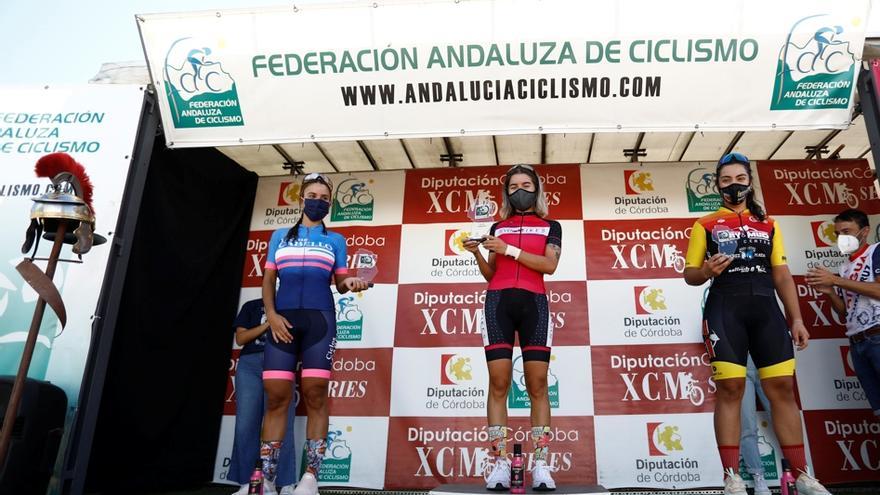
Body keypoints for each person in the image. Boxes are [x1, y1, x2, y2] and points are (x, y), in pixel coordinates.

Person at [683, 152, 831, 495]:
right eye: (725, 181)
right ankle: (732, 477)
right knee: (731, 390)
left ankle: (803, 475)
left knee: (781, 388)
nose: (733, 185)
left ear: (750, 182)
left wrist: (796, 317)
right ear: (717, 187)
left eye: (739, 179)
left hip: (766, 309)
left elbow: (781, 273)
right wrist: (707, 270)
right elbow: (690, 274)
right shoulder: (704, 224)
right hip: (725, 309)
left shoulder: (770, 224)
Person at [259, 173, 370, 495]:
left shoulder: (336, 240)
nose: (317, 201)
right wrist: (271, 315)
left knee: (316, 394)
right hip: (283, 322)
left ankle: (310, 479)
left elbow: (340, 281)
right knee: (277, 397)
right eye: (312, 195)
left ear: (329, 204)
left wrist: (351, 283)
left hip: (320, 321)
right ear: (300, 199)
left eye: (323, 197)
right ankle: (267, 479)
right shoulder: (279, 235)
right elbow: (268, 281)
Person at [463, 164, 562, 491]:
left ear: (537, 189)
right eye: (514, 185)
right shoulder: (497, 225)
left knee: (537, 385)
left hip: (535, 303)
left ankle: (542, 466)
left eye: (527, 184)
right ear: (506, 192)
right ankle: (500, 463)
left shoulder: (551, 225)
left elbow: (549, 265)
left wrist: (509, 249)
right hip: (497, 303)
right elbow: (493, 275)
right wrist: (478, 252)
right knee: (498, 383)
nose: (521, 189)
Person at [805, 208, 880, 418]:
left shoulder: (876, 251)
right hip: (858, 343)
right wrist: (829, 292)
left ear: (864, 231)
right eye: (838, 234)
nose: (841, 238)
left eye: (847, 231)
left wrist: (835, 280)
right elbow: (846, 312)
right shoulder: (846, 266)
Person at [228, 299, 297, 495]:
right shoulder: (251, 306)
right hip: (249, 366)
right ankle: (247, 481)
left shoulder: (291, 305)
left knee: (283, 422)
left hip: (280, 361)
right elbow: (241, 339)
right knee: (245, 424)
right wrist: (269, 323)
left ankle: (286, 482)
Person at [740, 356, 772, 495]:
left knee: (786, 425)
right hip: (741, 365)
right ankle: (758, 478)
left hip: (769, 360)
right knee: (748, 426)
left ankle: (800, 471)